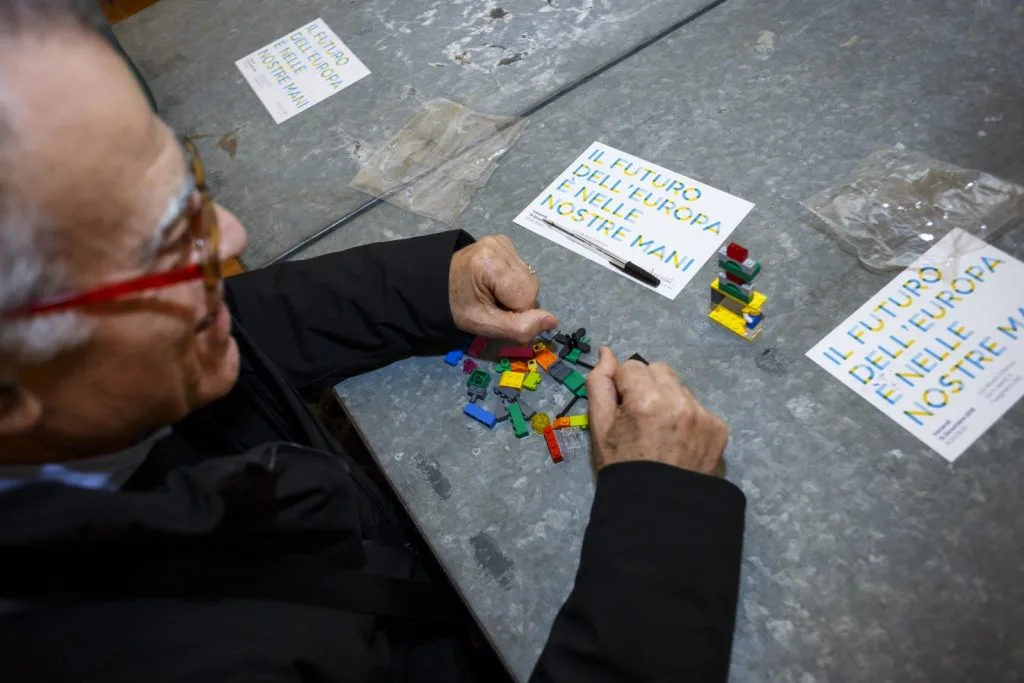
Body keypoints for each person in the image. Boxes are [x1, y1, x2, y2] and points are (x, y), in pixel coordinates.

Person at [0, 2, 746, 681]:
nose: (231, 235)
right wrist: (664, 522)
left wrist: (428, 286)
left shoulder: (75, 383)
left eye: (189, 184)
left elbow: (243, 317)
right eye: (164, 241)